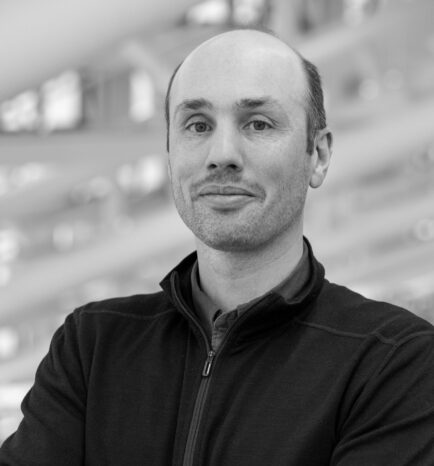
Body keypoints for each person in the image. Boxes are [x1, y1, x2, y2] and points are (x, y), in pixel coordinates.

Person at [1, 29, 433, 466]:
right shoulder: (92, 347)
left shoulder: (393, 360)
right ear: (170, 154)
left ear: (317, 156)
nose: (222, 154)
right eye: (198, 125)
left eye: (258, 123)